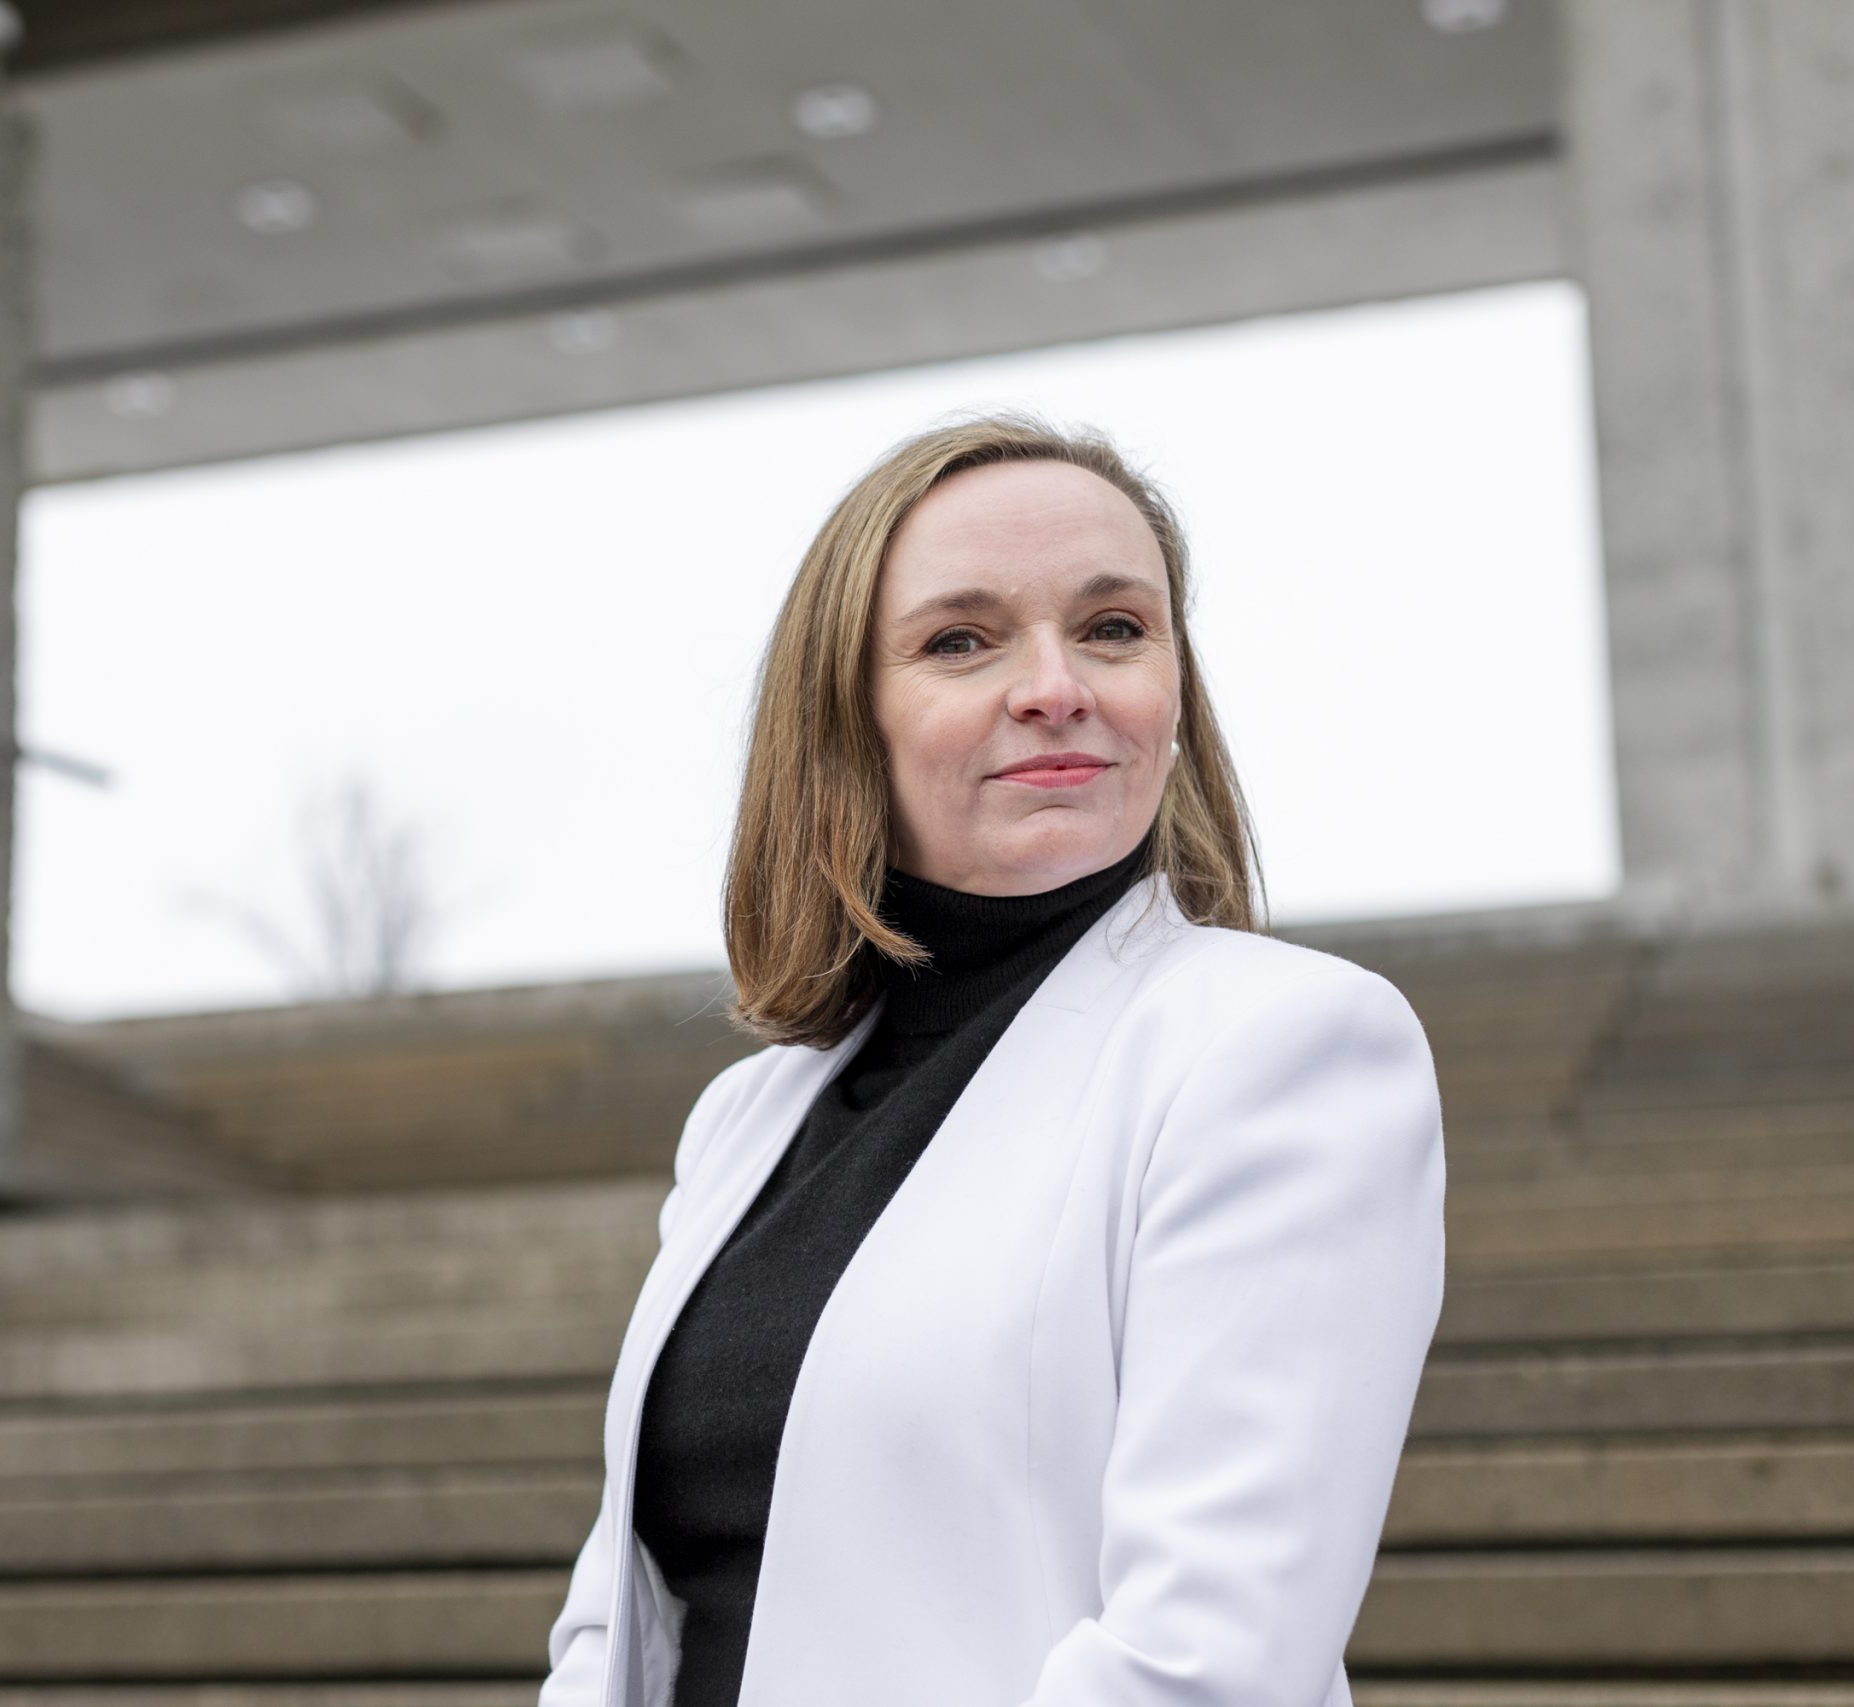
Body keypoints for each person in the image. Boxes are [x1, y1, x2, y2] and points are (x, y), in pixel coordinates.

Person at [536, 410, 1447, 1707]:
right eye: (962, 640)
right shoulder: (749, 1116)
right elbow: (614, 1623)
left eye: (1114, 628)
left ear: (1174, 693)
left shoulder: (1281, 1049)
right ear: (845, 718)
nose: (1055, 684)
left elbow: (1206, 1664)